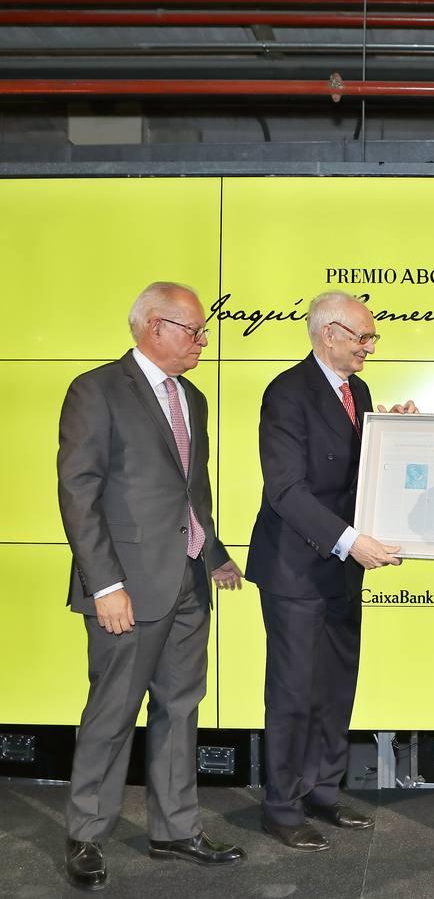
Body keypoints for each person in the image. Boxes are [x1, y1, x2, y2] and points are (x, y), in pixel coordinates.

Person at [58, 282, 245, 892]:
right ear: (153, 327)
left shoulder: (192, 396)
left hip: (188, 579)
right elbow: (79, 494)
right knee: (112, 713)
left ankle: (174, 829)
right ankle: (86, 834)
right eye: (193, 329)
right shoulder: (96, 390)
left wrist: (213, 553)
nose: (203, 340)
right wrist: (104, 584)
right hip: (126, 587)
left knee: (180, 708)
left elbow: (191, 489)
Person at [245, 291, 413, 852]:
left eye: (371, 338)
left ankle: (321, 789)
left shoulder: (357, 391)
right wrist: (350, 541)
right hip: (296, 567)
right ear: (329, 334)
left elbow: (360, 471)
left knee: (337, 683)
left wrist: (396, 432)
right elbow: (286, 490)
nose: (370, 347)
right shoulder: (287, 393)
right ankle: (282, 804)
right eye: (364, 337)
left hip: (342, 565)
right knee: (293, 689)